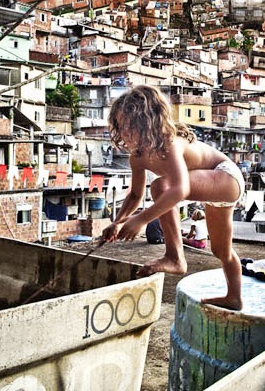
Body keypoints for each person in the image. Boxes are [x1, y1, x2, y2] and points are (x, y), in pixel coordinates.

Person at [101, 85, 244, 310]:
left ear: (146, 122)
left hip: (226, 176)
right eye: (120, 127)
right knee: (221, 251)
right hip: (215, 192)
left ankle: (175, 257)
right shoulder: (137, 157)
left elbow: (181, 189)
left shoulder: (170, 144)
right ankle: (234, 297)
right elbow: (135, 195)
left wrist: (141, 220)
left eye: (129, 127)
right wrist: (117, 222)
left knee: (161, 186)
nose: (124, 133)